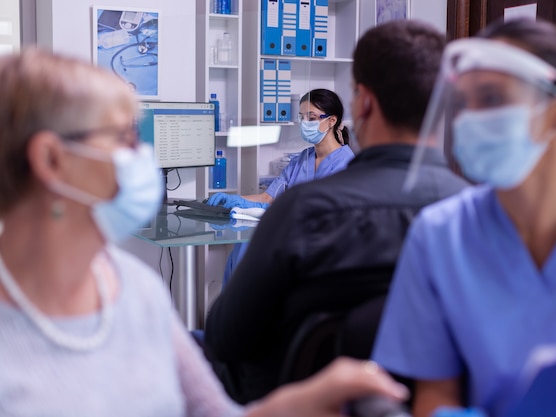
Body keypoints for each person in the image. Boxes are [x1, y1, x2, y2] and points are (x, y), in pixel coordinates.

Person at [0, 46, 411, 416]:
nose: (140, 155)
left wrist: (293, 405)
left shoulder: (136, 290)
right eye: (123, 137)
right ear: (51, 160)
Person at [203, 19, 469, 405]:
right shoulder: (473, 212)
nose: (306, 123)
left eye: (312, 117)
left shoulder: (304, 209)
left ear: (363, 103)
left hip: (297, 397)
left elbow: (225, 337)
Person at [372, 18, 556, 417]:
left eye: (491, 99)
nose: (470, 120)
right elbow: (434, 395)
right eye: (463, 103)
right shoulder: (440, 235)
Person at [208, 88, 355, 286]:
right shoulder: (302, 159)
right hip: (288, 235)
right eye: (301, 117)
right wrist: (234, 199)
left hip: (315, 246)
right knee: (244, 246)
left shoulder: (345, 164)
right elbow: (267, 198)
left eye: (311, 118)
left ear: (332, 121)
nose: (304, 124)